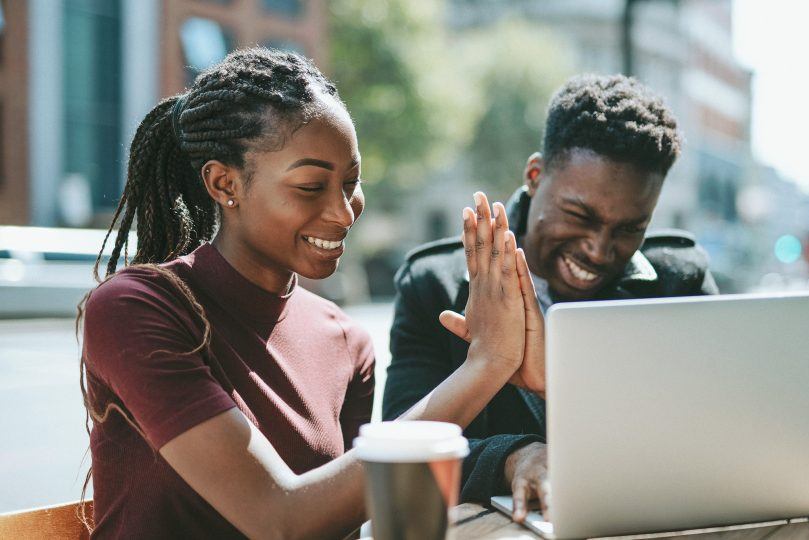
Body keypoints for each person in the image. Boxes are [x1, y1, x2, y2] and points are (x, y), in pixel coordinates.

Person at [79, 47, 540, 539]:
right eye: (310, 186)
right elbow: (281, 519)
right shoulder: (137, 308)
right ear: (224, 183)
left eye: (351, 182)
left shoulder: (346, 341)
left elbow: (340, 522)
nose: (344, 213)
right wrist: (487, 365)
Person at [383, 74, 718, 521]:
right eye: (579, 215)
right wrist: (511, 456)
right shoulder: (434, 286)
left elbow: (711, 431)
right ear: (536, 175)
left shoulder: (680, 281)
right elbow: (401, 446)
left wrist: (561, 381)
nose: (599, 250)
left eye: (629, 229)